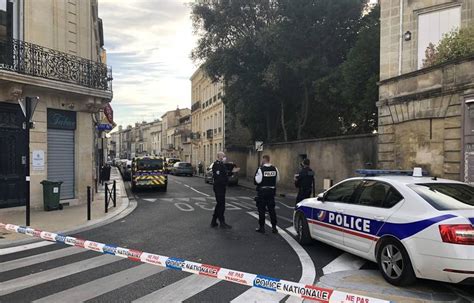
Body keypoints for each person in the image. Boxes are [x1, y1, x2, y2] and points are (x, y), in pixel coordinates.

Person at [254, 155, 279, 234]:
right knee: (272, 209)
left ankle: (262, 227)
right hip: (271, 191)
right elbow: (277, 180)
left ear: (264, 160)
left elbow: (257, 181)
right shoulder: (275, 169)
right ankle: (274, 227)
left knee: (261, 210)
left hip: (263, 192)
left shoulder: (261, 169)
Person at [210, 152, 232, 229]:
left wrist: (231, 172)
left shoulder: (221, 164)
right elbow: (218, 177)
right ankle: (222, 222)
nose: (225, 157)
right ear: (219, 157)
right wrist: (225, 180)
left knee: (219, 204)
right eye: (223, 156)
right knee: (221, 205)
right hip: (218, 187)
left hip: (221, 187)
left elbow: (224, 174)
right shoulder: (217, 165)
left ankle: (214, 221)